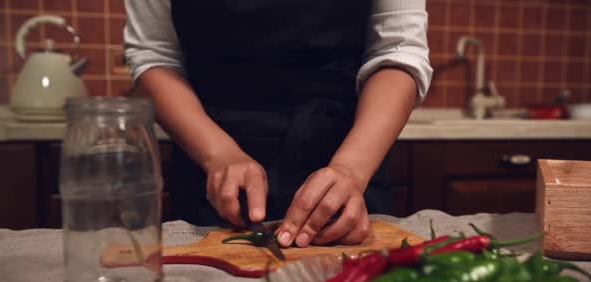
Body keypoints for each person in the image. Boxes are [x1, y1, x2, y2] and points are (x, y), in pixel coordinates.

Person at [124, 0, 432, 248]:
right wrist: (219, 154)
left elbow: (399, 51)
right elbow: (154, 57)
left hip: (347, 161)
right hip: (209, 176)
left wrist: (350, 169)